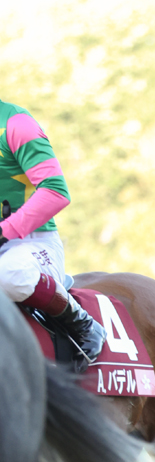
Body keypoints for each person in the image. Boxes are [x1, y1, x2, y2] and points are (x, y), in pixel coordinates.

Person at [0, 99, 106, 369]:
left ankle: (82, 324)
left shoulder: (16, 124)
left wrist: (4, 230)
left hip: (29, 245)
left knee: (7, 275)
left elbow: (55, 191)